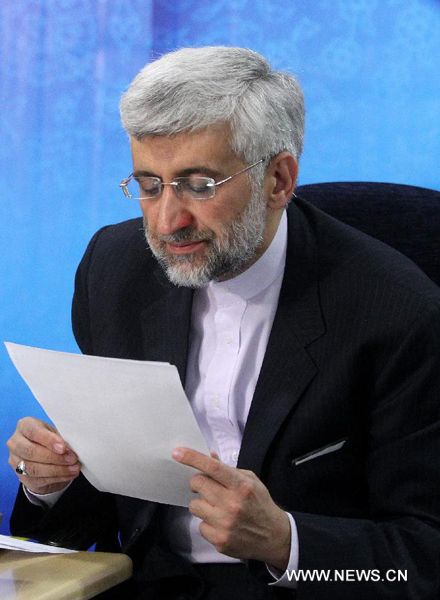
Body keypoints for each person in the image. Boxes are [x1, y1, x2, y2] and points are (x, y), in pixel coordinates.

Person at [6, 46, 440, 599]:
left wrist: (286, 543)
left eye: (199, 184)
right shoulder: (114, 269)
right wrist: (50, 482)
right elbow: (89, 520)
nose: (168, 222)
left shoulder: (398, 311)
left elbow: (421, 564)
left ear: (279, 180)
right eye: (149, 183)